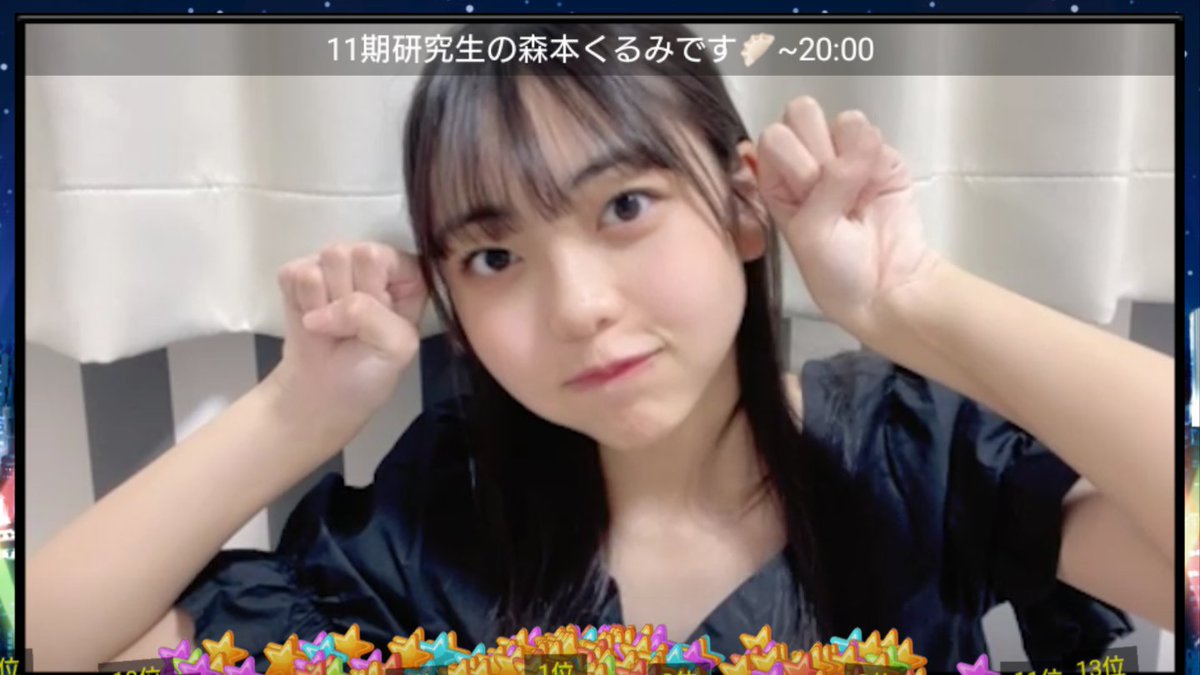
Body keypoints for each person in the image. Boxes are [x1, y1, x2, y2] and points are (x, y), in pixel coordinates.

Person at [29, 23, 1172, 672]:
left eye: (625, 207)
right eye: (494, 256)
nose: (576, 306)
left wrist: (915, 300)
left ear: (742, 206)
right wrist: (297, 413)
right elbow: (46, 640)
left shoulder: (908, 456)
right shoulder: (435, 533)